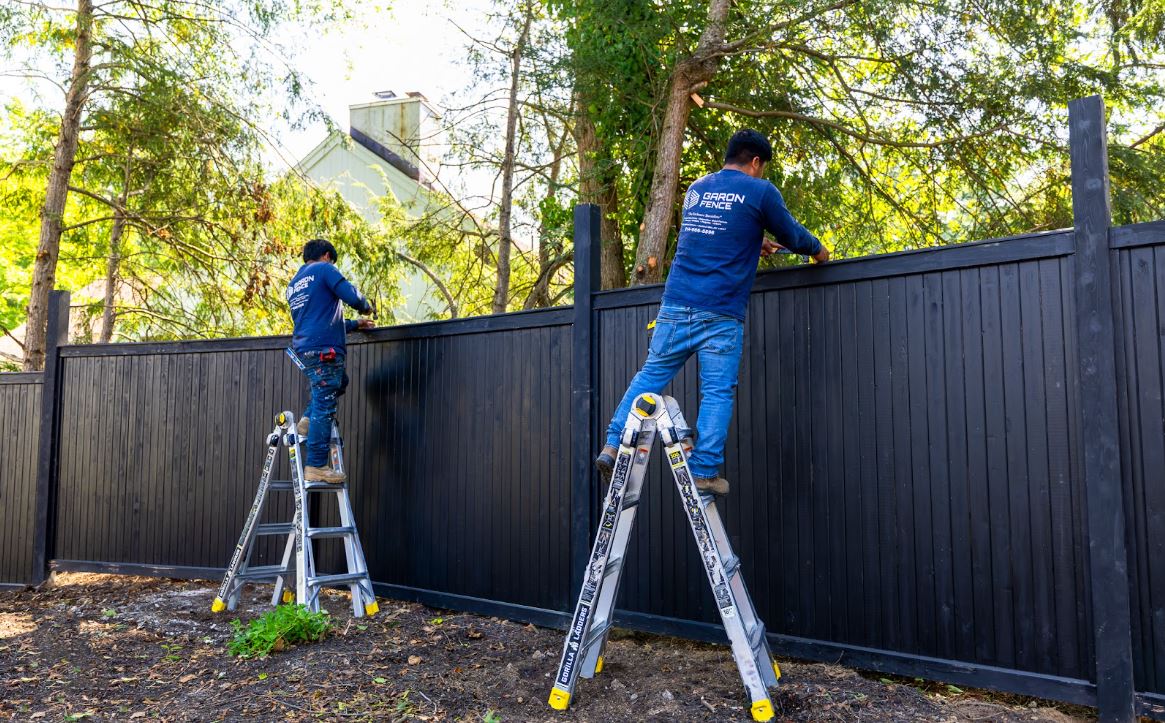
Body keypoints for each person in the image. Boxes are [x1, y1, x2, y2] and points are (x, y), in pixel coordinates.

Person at [595, 129, 830, 495]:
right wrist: (818, 251)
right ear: (755, 162)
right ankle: (703, 470)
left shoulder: (698, 189)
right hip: (720, 313)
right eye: (762, 167)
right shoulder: (760, 191)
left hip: (675, 305)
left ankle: (612, 444)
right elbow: (793, 234)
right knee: (717, 392)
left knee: (650, 376)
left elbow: (715, 236)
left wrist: (756, 242)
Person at [286, 238, 376, 483]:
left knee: (338, 382)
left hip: (305, 349)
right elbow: (352, 297)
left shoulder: (294, 284)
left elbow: (320, 321)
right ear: (326, 255)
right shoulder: (324, 269)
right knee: (325, 406)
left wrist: (356, 324)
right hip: (324, 352)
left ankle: (306, 421)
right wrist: (366, 308)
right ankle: (316, 465)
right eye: (332, 260)